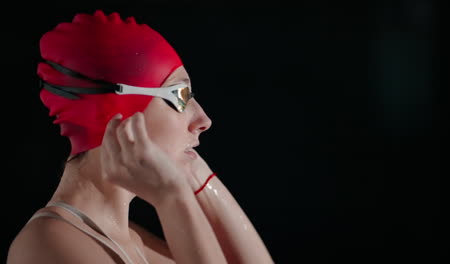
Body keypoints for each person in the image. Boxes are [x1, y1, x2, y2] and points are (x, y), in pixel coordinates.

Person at [7, 10, 274, 264]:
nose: (204, 120)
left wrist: (195, 174)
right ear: (118, 114)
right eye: (180, 96)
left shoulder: (130, 237)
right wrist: (172, 197)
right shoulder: (49, 243)